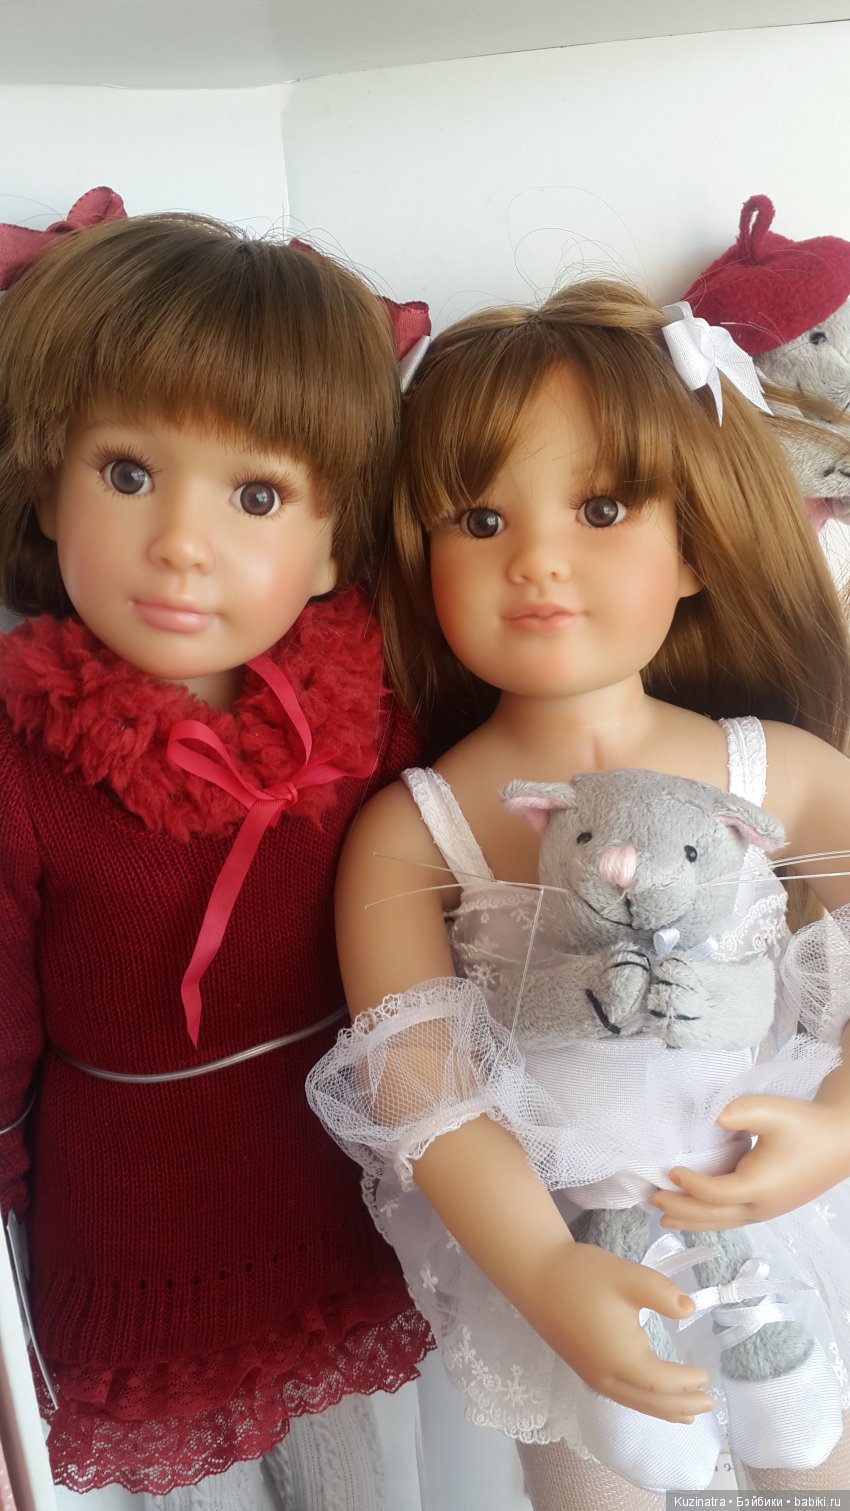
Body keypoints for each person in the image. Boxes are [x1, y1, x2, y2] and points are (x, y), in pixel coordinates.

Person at [309, 281, 850, 1508]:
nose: (538, 559)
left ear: (695, 544)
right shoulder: (415, 830)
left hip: (782, 1217)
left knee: (819, 1463)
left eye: (601, 508)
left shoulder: (781, 772)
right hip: (556, 1250)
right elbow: (425, 1094)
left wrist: (836, 1124)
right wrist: (546, 1274)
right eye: (479, 517)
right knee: (593, 1484)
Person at [0, 204, 435, 1508]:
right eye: (128, 472)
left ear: (333, 541)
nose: (182, 542)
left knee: (367, 1482)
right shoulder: (20, 765)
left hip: (345, 1190)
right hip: (136, 1232)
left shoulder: (373, 715)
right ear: (47, 484)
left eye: (256, 494)